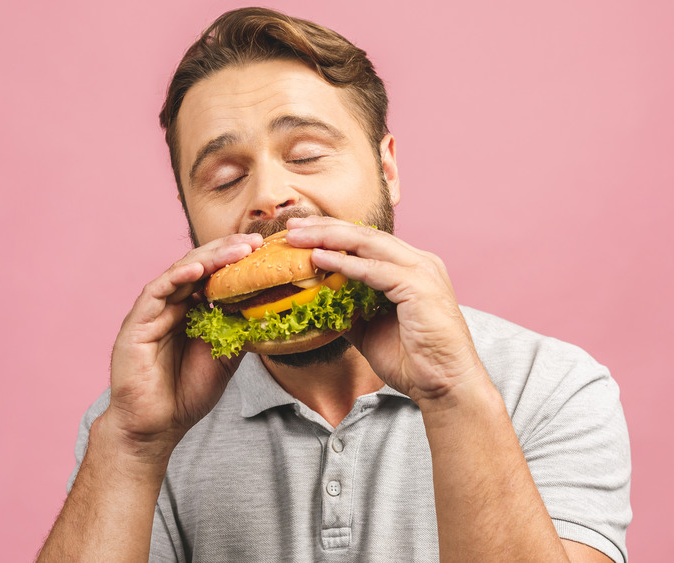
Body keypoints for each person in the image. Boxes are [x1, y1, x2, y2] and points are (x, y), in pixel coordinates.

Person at [38, 7, 631, 562]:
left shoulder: (550, 386)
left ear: (387, 169)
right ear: (188, 212)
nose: (269, 196)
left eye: (307, 155)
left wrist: (452, 395)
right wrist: (132, 446)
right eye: (224, 178)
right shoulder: (140, 419)